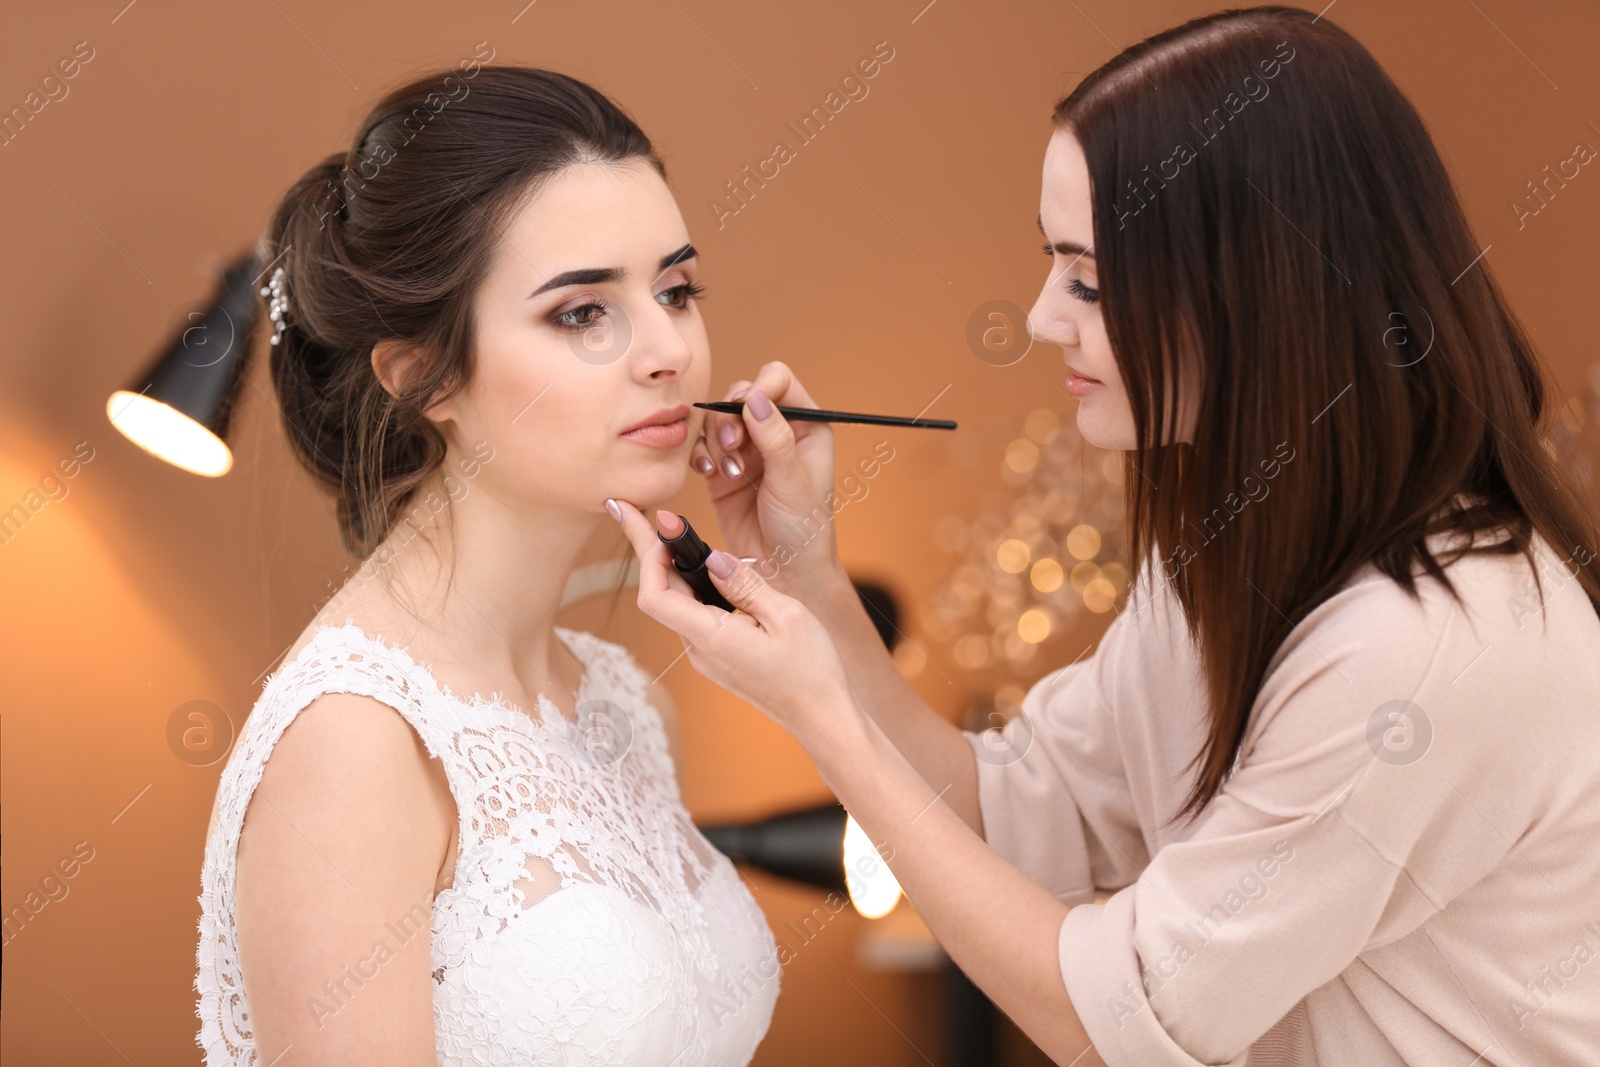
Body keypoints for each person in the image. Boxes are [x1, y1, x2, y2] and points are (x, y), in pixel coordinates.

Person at [607, 7, 1600, 1065]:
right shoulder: (1237, 552)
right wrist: (810, 579)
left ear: (1253, 291)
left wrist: (818, 713)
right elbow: (1012, 812)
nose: (1040, 317)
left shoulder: (1418, 654)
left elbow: (1109, 1019)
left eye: (1086, 277)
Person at [194, 65, 779, 1066]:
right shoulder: (357, 741)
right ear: (423, 376)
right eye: (580, 312)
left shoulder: (622, 702)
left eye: (675, 289)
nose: (668, 350)